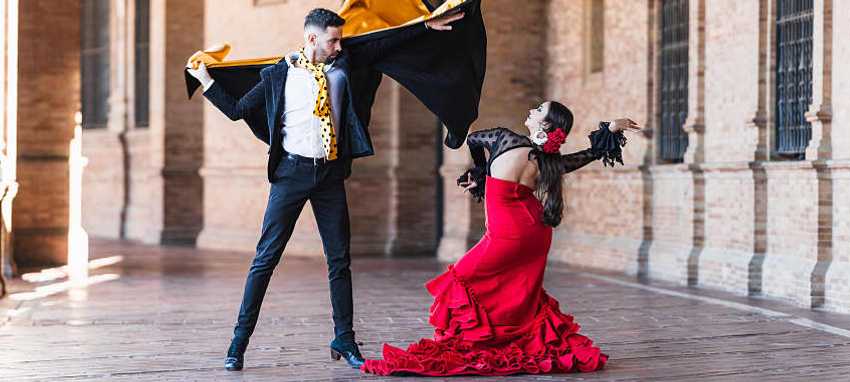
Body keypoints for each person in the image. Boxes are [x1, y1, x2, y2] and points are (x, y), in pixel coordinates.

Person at [186, 8, 464, 371]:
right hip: (290, 174)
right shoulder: (279, 74)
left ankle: (344, 339)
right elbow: (238, 110)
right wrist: (205, 80)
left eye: (340, 40)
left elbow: (382, 43)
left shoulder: (343, 65)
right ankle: (238, 343)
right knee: (265, 259)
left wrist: (424, 26)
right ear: (312, 38)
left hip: (329, 175)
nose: (339, 46)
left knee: (339, 260)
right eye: (333, 40)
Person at [361, 101, 641, 376]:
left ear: (545, 124)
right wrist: (611, 128)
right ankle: (505, 340)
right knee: (517, 291)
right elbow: (590, 153)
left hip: (507, 235)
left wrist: (481, 171)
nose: (531, 110)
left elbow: (472, 140)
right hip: (535, 233)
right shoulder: (548, 160)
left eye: (538, 110)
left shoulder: (505, 138)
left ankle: (477, 341)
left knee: (460, 278)